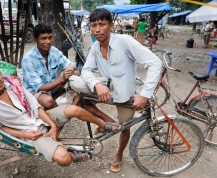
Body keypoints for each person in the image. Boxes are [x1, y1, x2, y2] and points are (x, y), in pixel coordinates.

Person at [0, 57, 122, 166]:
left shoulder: (13, 83)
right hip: (30, 133)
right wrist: (25, 134)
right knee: (64, 159)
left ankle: (102, 125)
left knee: (74, 109)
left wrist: (52, 125)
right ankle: (71, 154)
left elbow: (36, 107)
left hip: (40, 117)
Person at [68, 8, 162, 172]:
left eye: (102, 25)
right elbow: (86, 70)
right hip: (105, 90)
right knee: (76, 88)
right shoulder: (95, 48)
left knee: (125, 128)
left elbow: (155, 63)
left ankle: (119, 154)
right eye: (94, 25)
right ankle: (105, 123)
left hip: (126, 95)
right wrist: (97, 84)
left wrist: (145, 95)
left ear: (111, 26)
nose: (97, 30)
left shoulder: (125, 41)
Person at [21, 23, 116, 128]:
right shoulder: (28, 59)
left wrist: (72, 72)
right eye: (43, 39)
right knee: (48, 101)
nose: (48, 42)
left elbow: (70, 65)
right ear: (35, 40)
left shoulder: (54, 52)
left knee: (76, 83)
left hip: (50, 90)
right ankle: (53, 117)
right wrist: (62, 79)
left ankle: (104, 118)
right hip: (34, 93)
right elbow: (39, 88)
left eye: (50, 38)